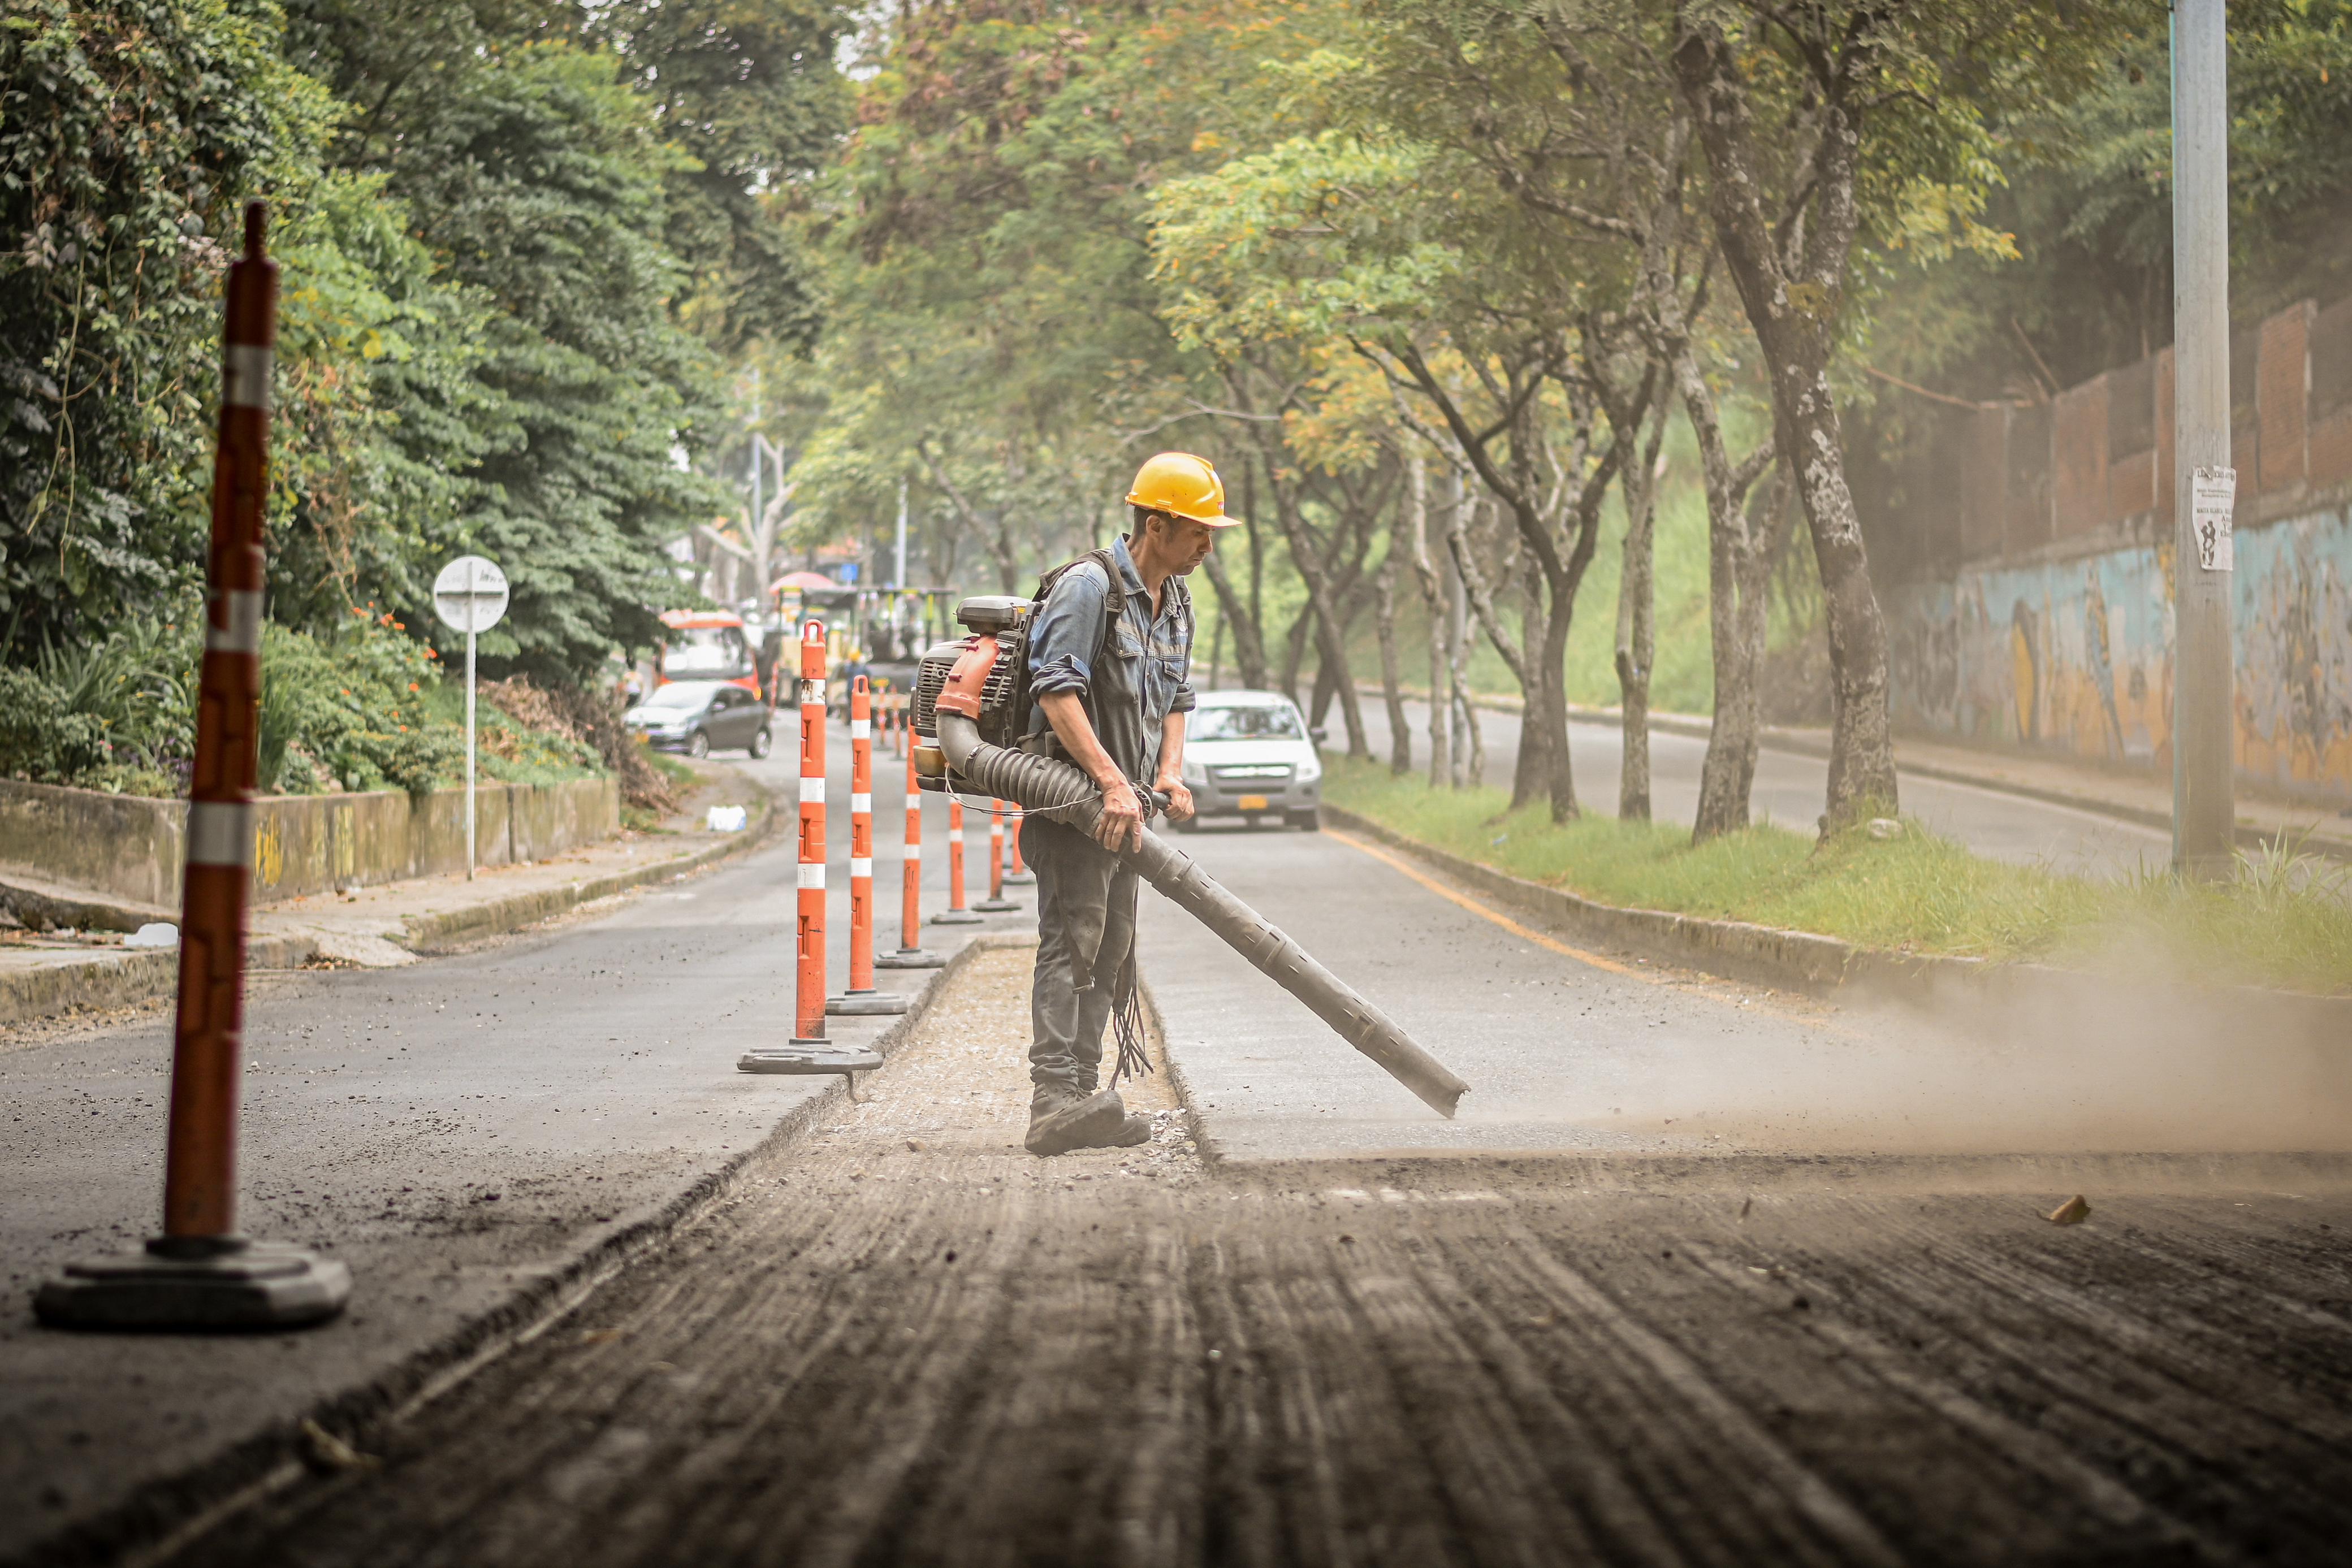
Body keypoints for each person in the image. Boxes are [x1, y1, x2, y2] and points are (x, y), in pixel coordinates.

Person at [1018, 452, 1238, 1155]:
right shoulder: (1088, 589)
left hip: (1127, 815)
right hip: (1076, 808)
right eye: (1198, 532)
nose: (1207, 547)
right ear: (1156, 525)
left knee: (1111, 949)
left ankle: (1083, 1100)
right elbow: (1056, 691)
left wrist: (1168, 772)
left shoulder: (1176, 599)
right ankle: (1052, 1099)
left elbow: (1177, 696)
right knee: (1072, 941)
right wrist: (1112, 781)